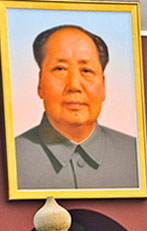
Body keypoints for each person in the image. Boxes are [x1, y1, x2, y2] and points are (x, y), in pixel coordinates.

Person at [15, 25, 139, 189]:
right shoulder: (13, 155)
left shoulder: (134, 154)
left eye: (86, 70)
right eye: (60, 69)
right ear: (40, 84)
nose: (74, 85)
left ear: (103, 85)